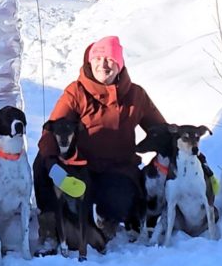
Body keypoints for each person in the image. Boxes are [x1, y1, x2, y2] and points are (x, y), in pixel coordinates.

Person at [34, 36, 165, 237]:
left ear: (120, 64)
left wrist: (191, 154)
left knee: (118, 204)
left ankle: (107, 220)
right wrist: (52, 164)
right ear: (89, 61)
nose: (103, 64)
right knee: (42, 160)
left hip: (117, 170)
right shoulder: (76, 92)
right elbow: (50, 133)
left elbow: (161, 131)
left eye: (110, 59)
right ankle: (50, 224)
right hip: (78, 169)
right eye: (97, 58)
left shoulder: (136, 94)